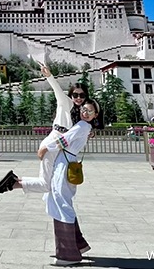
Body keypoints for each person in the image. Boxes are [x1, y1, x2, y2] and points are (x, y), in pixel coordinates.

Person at [0, 64, 76, 194]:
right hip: (53, 143)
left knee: (47, 181)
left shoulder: (73, 113)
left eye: (82, 96)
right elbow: (57, 90)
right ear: (70, 95)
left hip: (55, 144)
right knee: (46, 185)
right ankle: (12, 184)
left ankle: (14, 180)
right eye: (76, 95)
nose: (78, 98)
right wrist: (49, 76)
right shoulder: (66, 102)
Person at [46, 99, 99, 266]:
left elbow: (64, 140)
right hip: (69, 160)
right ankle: (78, 244)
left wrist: (45, 148)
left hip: (65, 161)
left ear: (95, 115)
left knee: (61, 203)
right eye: (84, 109)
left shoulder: (83, 126)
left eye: (89, 111)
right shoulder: (85, 126)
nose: (85, 112)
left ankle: (68, 254)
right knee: (63, 201)